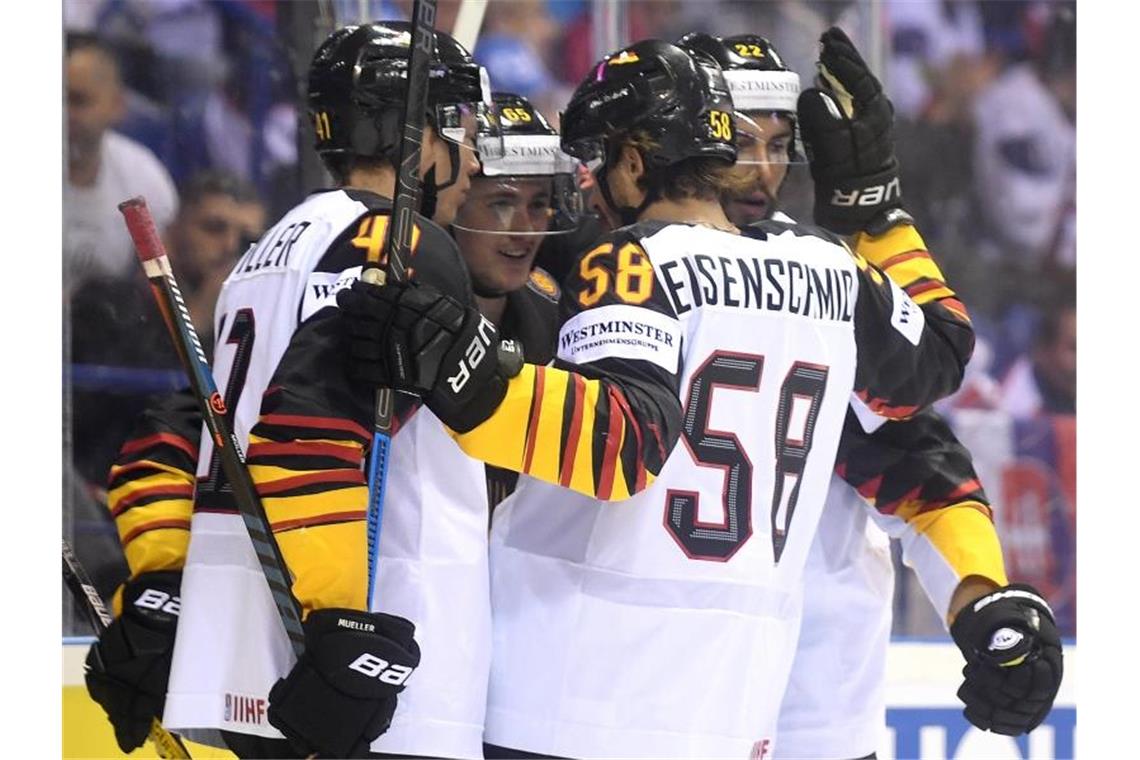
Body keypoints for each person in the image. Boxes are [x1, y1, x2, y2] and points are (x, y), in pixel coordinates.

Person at [337, 39, 990, 757]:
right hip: (737, 699)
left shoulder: (630, 259)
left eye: (595, 161)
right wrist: (880, 216)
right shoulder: (830, 267)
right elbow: (941, 351)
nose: (584, 186)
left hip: (570, 684)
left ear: (635, 162)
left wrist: (464, 375)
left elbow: (613, 447)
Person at [83, 21, 495, 759]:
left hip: (249, 637)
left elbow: (189, 425)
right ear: (415, 133)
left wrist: (161, 585)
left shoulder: (269, 247)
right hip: (370, 650)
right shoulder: (404, 245)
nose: (469, 156)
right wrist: (340, 623)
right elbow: (309, 436)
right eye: (456, 124)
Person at [678, 29, 1062, 755]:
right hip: (652, 683)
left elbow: (918, 460)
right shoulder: (607, 272)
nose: (762, 171)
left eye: (778, 142)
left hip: (807, 696)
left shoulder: (813, 275)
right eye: (738, 144)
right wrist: (874, 215)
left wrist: (984, 597)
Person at [65, 32, 179, 290]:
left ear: (117, 105)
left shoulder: (144, 180)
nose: (62, 113)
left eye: (78, 100)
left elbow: (156, 289)